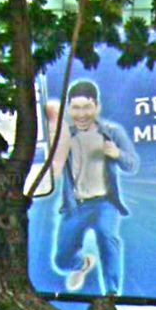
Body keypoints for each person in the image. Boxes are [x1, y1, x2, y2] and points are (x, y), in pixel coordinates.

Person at [53, 80, 139, 295]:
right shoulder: (65, 137)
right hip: (76, 205)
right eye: (76, 108)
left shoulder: (112, 132)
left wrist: (117, 154)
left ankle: (111, 294)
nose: (81, 114)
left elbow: (132, 165)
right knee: (61, 261)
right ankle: (83, 264)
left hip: (104, 202)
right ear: (69, 109)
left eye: (87, 107)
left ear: (97, 107)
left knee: (106, 234)